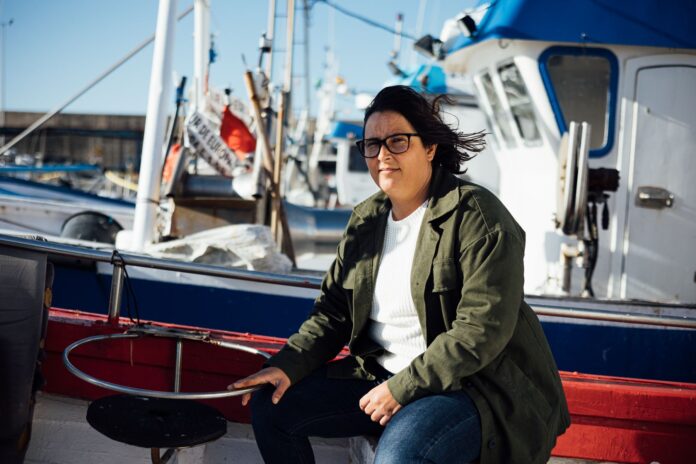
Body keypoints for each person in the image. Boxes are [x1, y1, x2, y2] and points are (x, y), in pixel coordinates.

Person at [230, 85, 570, 463]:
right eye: (372, 145)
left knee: (398, 458)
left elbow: (480, 331)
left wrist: (402, 388)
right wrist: (287, 365)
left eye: (397, 141)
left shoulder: (477, 216)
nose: (383, 155)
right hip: (381, 374)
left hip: (469, 387)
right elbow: (333, 313)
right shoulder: (367, 219)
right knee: (271, 408)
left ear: (430, 147)